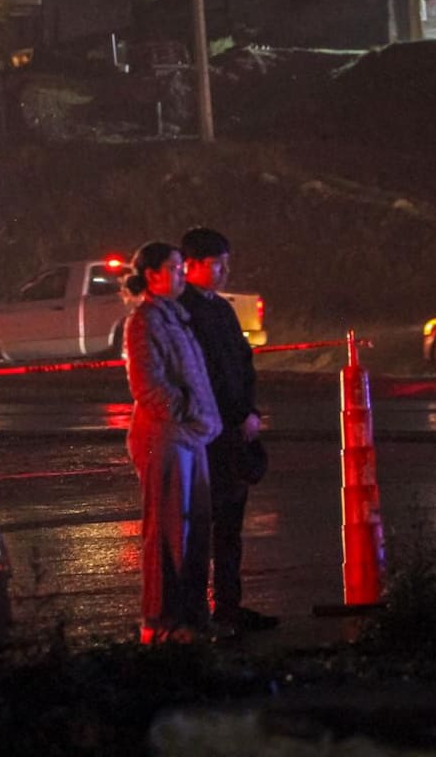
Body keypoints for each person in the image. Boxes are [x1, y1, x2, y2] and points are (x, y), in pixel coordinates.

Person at [179, 227, 280, 632]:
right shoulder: (183, 312)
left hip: (234, 432)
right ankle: (198, 610)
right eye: (216, 264)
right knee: (204, 524)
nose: (223, 272)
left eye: (226, 264)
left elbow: (241, 364)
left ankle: (229, 605)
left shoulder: (220, 309)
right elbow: (206, 375)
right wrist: (234, 414)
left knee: (231, 525)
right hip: (207, 435)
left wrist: (250, 411)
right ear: (192, 265)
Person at [122, 241, 223, 644]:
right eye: (175, 268)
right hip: (166, 438)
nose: (182, 275)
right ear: (153, 276)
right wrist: (182, 409)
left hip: (192, 436)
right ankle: (162, 622)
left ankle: (193, 617)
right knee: (167, 533)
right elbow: (147, 386)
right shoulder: (144, 322)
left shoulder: (176, 318)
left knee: (196, 530)